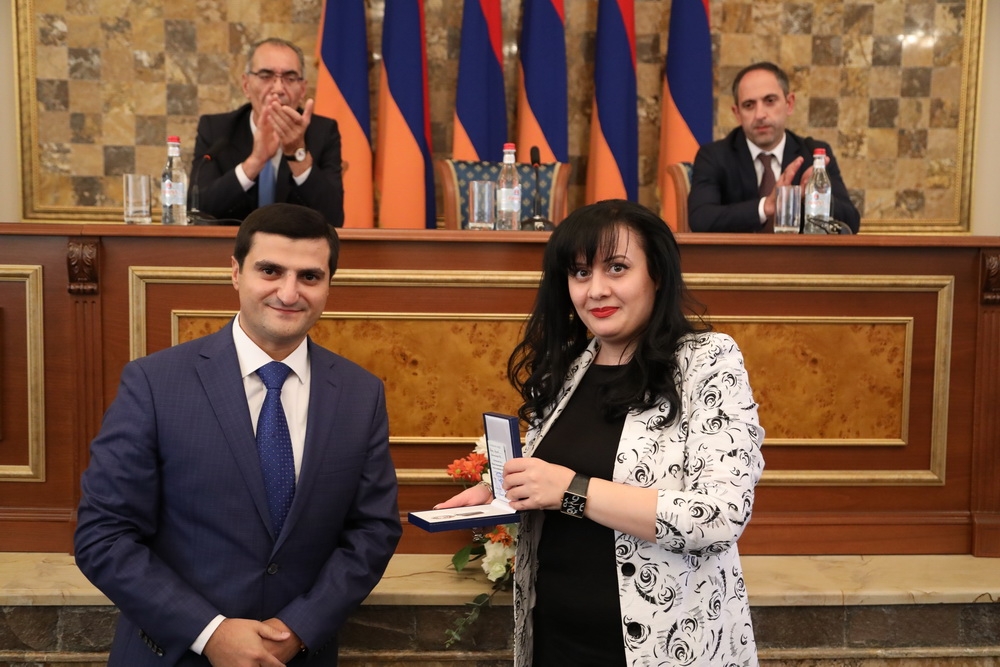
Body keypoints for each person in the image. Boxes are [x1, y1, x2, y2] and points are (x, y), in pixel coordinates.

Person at [436, 199, 764, 666]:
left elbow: (719, 517)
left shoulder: (707, 360)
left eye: (617, 268)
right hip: (556, 641)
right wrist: (500, 490)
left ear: (657, 274)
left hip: (665, 648)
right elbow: (560, 468)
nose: (596, 290)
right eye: (580, 272)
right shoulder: (572, 366)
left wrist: (571, 490)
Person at [74, 203, 401, 666]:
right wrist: (210, 634)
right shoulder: (154, 383)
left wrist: (298, 629)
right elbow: (103, 535)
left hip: (297, 656)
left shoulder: (359, 393)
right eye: (270, 270)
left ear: (329, 284)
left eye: (309, 276)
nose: (288, 292)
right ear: (235, 272)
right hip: (174, 654)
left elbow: (373, 530)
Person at [688, 61, 860, 234]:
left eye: (770, 101)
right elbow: (700, 219)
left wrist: (813, 196)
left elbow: (851, 222)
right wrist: (766, 207)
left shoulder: (813, 154)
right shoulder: (714, 156)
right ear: (737, 113)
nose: (760, 115)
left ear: (789, 104)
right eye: (749, 105)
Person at [189, 38, 345, 227]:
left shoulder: (323, 132)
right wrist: (255, 162)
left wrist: (297, 154)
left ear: (303, 89)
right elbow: (197, 211)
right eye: (265, 76)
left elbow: (334, 218)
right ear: (246, 85)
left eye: (290, 78)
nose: (278, 89)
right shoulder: (216, 129)